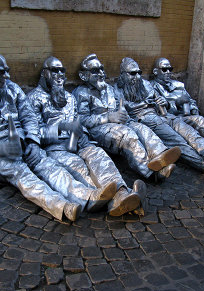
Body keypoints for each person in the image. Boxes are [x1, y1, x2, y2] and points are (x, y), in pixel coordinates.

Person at [0, 49, 116, 222]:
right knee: (24, 176)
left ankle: (87, 197)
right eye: (0, 72)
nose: (7, 76)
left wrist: (32, 141)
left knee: (51, 168)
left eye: (7, 70)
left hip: (25, 143)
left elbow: (29, 118)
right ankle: (62, 207)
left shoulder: (13, 89)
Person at [26, 56, 146, 216]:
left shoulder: (69, 98)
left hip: (80, 142)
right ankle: (106, 200)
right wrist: (62, 128)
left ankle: (122, 193)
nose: (59, 74)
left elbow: (79, 121)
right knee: (79, 167)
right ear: (44, 73)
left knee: (100, 157)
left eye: (62, 70)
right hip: (57, 147)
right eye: (55, 70)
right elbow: (34, 134)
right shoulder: (33, 99)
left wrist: (83, 134)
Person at [113, 57, 204, 178]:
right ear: (123, 74)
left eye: (139, 72)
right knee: (179, 142)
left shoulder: (145, 84)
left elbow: (158, 99)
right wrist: (146, 103)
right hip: (147, 120)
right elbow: (124, 109)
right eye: (132, 73)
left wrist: (164, 102)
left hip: (164, 115)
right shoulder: (117, 89)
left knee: (191, 133)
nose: (137, 76)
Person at [72, 53, 181, 182]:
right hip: (98, 129)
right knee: (127, 135)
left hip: (120, 123)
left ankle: (161, 157)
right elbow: (82, 120)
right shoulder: (81, 93)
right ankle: (151, 172)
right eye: (95, 71)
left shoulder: (109, 88)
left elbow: (119, 106)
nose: (101, 73)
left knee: (141, 128)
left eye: (102, 69)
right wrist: (108, 117)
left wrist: (124, 115)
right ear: (84, 75)